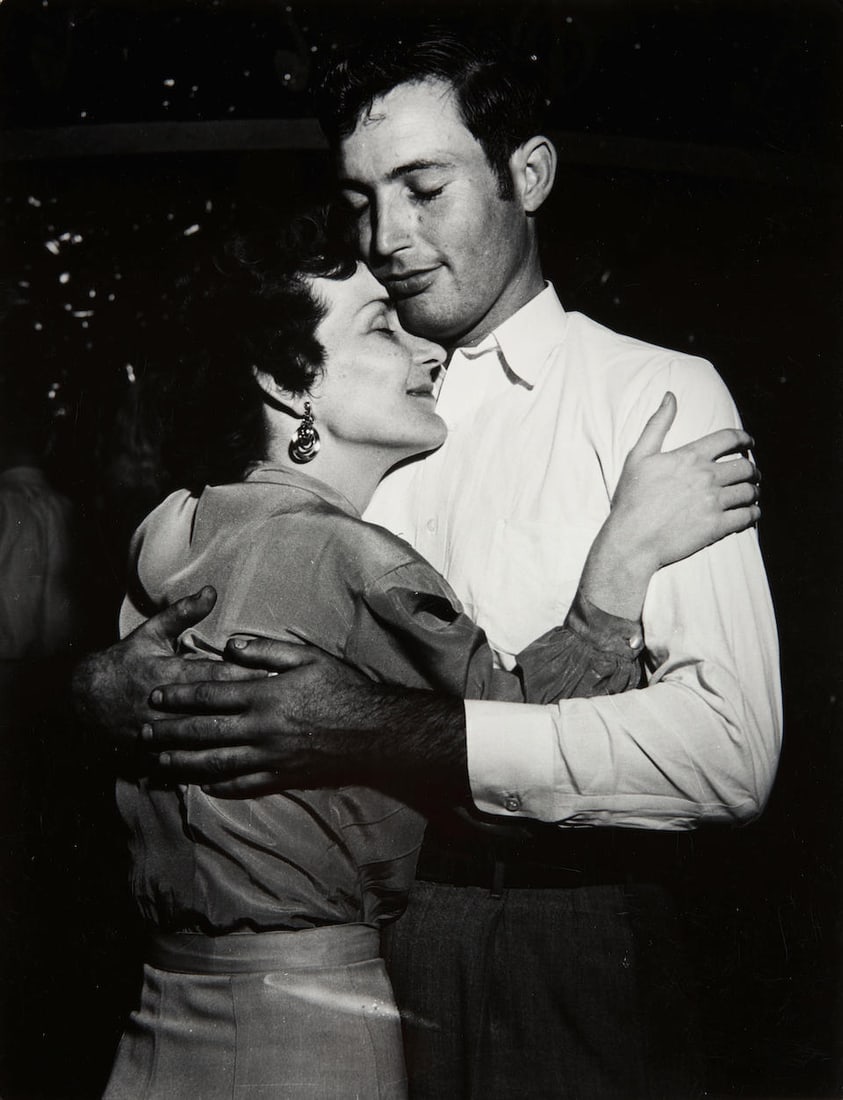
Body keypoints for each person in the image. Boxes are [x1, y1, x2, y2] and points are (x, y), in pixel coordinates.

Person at [74, 27, 781, 1100]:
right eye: (361, 198)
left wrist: (380, 728)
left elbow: (729, 752)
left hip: (561, 933)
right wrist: (97, 684)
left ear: (526, 175)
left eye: (422, 186)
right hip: (354, 948)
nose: (387, 237)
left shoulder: (652, 399)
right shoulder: (358, 396)